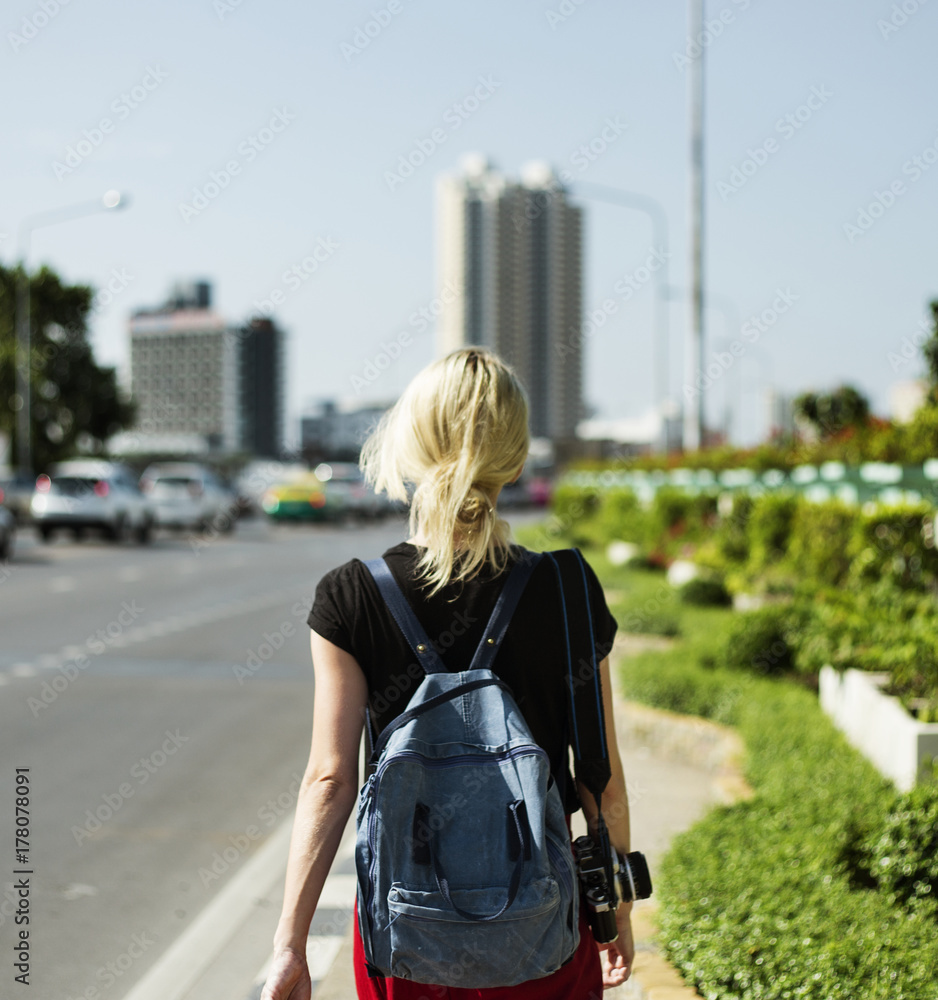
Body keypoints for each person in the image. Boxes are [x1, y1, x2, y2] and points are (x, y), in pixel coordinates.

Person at [262, 348, 634, 1000]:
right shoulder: (568, 588)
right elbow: (599, 776)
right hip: (543, 932)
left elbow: (329, 779)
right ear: (516, 462)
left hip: (408, 939)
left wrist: (290, 945)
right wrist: (616, 911)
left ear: (408, 451)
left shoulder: (351, 596)